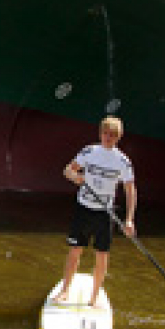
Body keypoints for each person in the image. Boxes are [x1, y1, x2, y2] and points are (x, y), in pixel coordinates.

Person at [54, 116, 136, 308]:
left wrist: (129, 219)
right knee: (75, 250)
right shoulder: (89, 152)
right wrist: (75, 177)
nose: (108, 137)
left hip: (104, 213)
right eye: (105, 133)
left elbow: (130, 190)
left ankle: (94, 296)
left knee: (102, 254)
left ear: (118, 137)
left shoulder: (122, 161)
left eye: (112, 135)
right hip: (83, 208)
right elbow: (68, 170)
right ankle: (65, 290)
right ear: (100, 134)